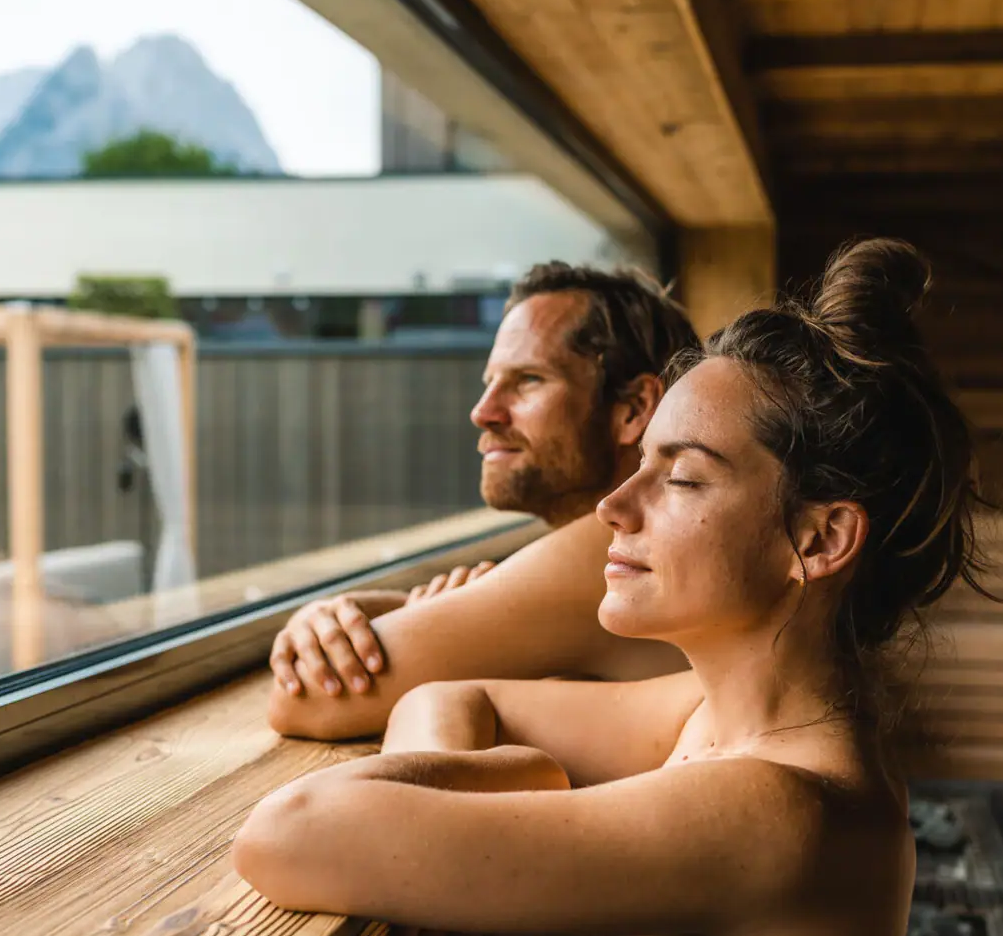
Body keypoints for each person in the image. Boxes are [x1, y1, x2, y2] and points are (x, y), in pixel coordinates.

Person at [234, 238, 992, 936]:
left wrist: (495, 804)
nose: (618, 504)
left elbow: (290, 831)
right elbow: (446, 695)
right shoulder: (709, 723)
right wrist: (507, 787)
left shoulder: (783, 815)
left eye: (679, 475)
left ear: (820, 535)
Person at [266, 262, 701, 741]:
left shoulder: (615, 548)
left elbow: (305, 700)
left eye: (528, 380)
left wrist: (339, 620)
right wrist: (339, 611)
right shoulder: (643, 545)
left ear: (634, 409)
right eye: (489, 382)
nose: (483, 412)